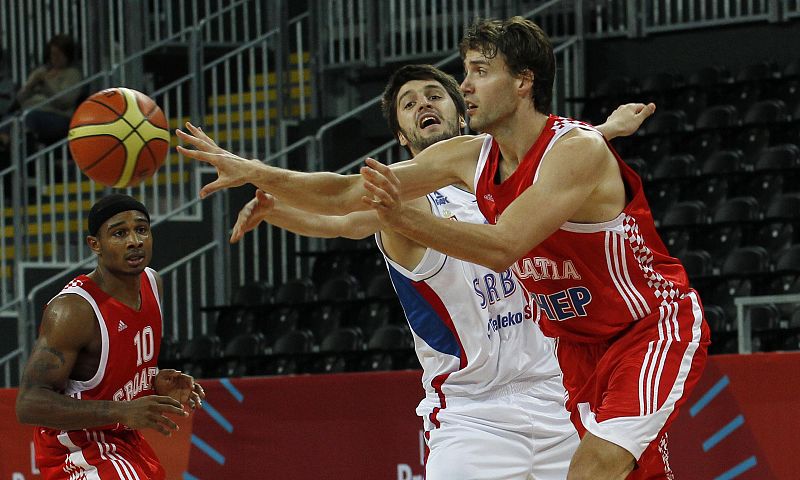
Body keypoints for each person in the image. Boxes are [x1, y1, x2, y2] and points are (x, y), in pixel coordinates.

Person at [178, 16, 708, 480]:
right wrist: (254, 171)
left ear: (522, 82)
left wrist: (604, 133)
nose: (464, 85)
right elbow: (344, 200)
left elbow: (504, 243)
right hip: (522, 380)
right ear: (402, 138)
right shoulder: (467, 160)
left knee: (593, 469)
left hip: (641, 328)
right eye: (465, 72)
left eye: (478, 72)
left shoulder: (571, 152)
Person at [16, 194, 205, 480]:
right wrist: (123, 410)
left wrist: (151, 383)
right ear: (96, 245)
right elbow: (29, 403)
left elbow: (100, 377)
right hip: (75, 446)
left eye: (141, 229)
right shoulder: (73, 310)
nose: (134, 241)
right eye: (119, 233)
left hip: (121, 439)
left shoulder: (153, 283)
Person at [0, 34, 82, 149]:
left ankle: (21, 148)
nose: (55, 58)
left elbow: (65, 101)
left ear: (68, 55)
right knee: (8, 119)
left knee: (29, 118)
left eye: (59, 54)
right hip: (28, 111)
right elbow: (19, 99)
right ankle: (5, 145)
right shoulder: (42, 71)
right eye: (53, 54)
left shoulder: (72, 74)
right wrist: (30, 85)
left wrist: (46, 85)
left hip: (56, 116)